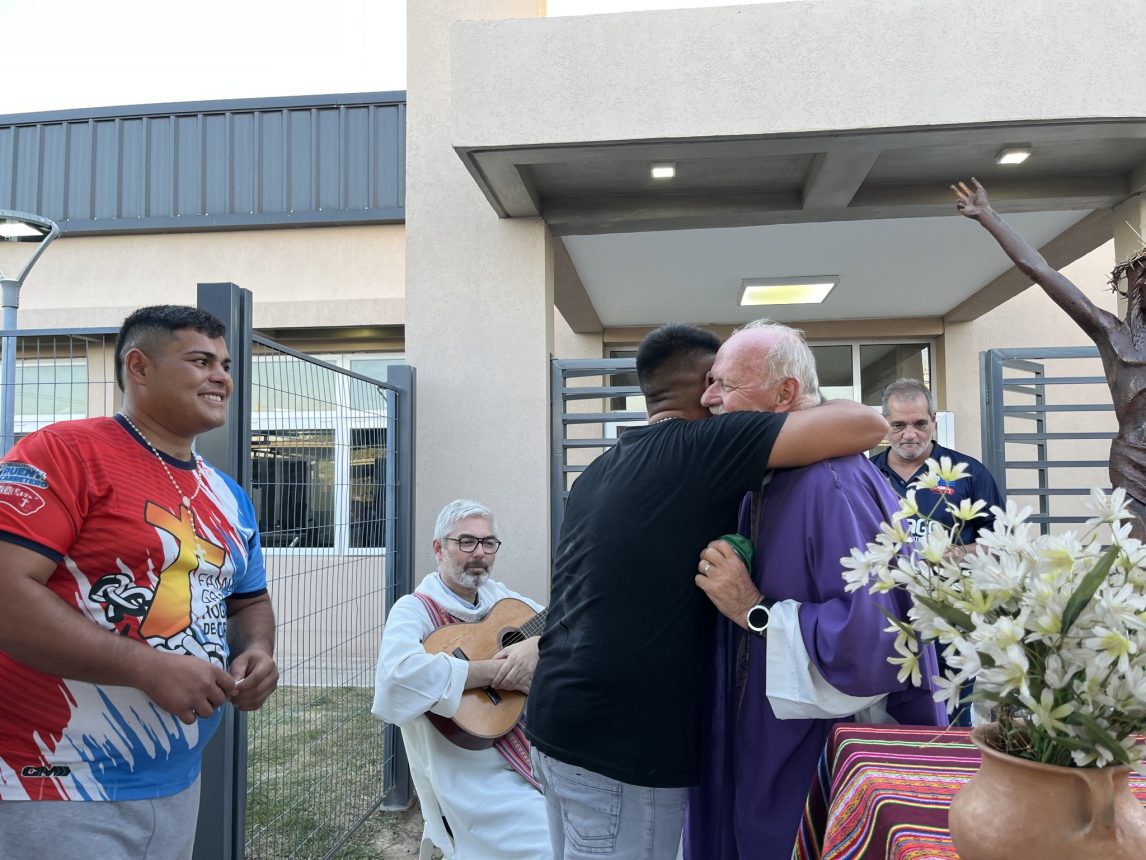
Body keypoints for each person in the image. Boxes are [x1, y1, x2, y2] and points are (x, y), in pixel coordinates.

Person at [526, 323, 890, 860]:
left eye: (728, 384)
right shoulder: (697, 449)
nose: (717, 399)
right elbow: (867, 422)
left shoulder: (601, 470)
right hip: (622, 749)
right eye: (713, 383)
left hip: (557, 726)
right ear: (697, 388)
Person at [0, 305, 278, 860]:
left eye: (225, 363)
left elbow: (250, 598)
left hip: (176, 778)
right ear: (139, 367)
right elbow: (6, 596)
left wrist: (258, 650)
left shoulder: (228, 493)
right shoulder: (63, 453)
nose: (221, 376)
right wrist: (147, 667)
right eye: (200, 360)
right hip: (56, 780)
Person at [682, 321, 946, 860]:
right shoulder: (771, 474)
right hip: (758, 739)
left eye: (726, 385)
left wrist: (753, 610)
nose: (709, 399)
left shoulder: (831, 485)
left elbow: (869, 645)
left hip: (810, 758)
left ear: (786, 394)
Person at [953, 177, 1146, 537]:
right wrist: (989, 216)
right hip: (1133, 460)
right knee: (1137, 556)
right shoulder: (1112, 333)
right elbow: (1041, 271)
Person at [372, 499, 551, 860]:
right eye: (466, 542)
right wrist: (493, 672)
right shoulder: (414, 609)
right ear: (439, 548)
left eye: (488, 543)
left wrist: (536, 644)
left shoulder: (501, 599)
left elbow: (560, 623)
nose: (479, 553)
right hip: (468, 773)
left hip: (532, 748)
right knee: (549, 849)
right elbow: (396, 679)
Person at [869, 377, 1004, 557]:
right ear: (884, 422)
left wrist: (960, 554)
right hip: (887, 584)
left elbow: (1003, 543)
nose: (909, 435)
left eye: (920, 424)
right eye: (899, 425)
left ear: (933, 419)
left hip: (951, 584)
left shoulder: (969, 472)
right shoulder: (867, 474)